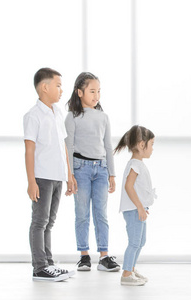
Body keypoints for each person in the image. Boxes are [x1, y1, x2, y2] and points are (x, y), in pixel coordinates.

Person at [24, 67, 76, 281]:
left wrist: (69, 176)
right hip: (42, 177)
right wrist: (31, 181)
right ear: (44, 87)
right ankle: (39, 267)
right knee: (39, 221)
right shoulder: (33, 116)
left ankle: (49, 264)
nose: (62, 90)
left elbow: (64, 147)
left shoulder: (57, 113)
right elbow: (29, 149)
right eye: (58, 85)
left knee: (49, 222)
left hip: (57, 176)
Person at [65, 72, 120, 272]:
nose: (96, 95)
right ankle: (84, 255)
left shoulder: (103, 117)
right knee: (81, 214)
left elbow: (108, 146)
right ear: (80, 92)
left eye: (98, 91)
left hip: (101, 170)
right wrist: (69, 175)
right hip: (80, 169)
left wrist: (112, 173)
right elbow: (68, 147)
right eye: (92, 91)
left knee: (101, 213)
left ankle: (104, 257)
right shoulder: (72, 117)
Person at [114, 125, 156, 286]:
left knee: (141, 241)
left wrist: (143, 206)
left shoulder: (137, 163)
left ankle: (130, 268)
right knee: (134, 242)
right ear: (141, 144)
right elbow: (128, 186)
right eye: (151, 144)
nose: (152, 149)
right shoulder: (135, 164)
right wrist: (139, 207)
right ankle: (126, 274)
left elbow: (137, 188)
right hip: (133, 210)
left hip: (137, 209)